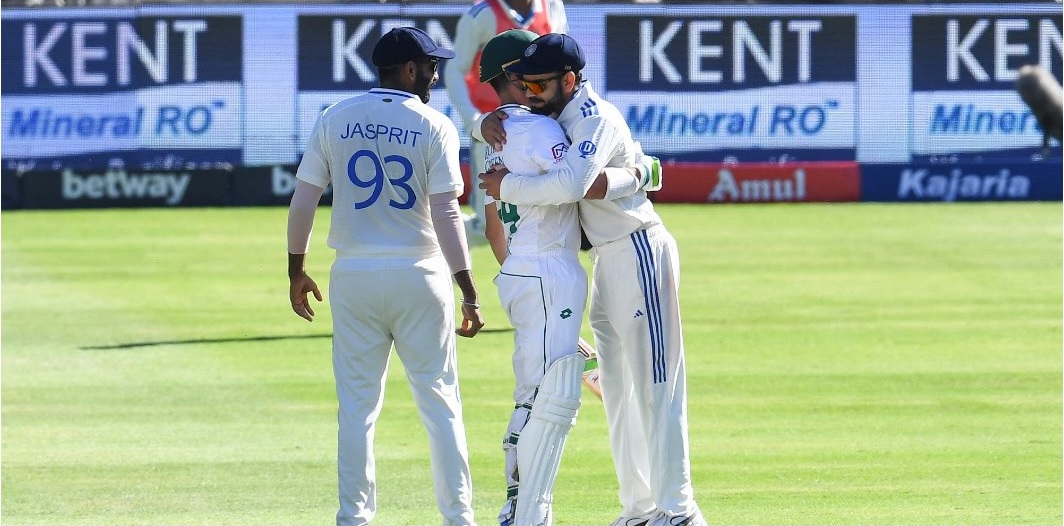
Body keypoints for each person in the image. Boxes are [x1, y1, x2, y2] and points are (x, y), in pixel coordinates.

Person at [477, 33, 705, 526]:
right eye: (525, 84)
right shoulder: (554, 116)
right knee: (620, 390)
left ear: (570, 80)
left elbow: (574, 184)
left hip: (640, 246)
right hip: (607, 258)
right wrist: (483, 123)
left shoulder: (595, 116)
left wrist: (506, 186)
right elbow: (635, 168)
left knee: (656, 383)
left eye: (539, 84)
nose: (531, 94)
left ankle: (680, 509)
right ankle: (641, 508)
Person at [286, 26, 485, 526]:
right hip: (420, 273)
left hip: (352, 274)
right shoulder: (434, 124)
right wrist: (468, 287)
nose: (437, 75)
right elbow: (445, 213)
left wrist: (296, 269)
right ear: (411, 70)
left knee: (356, 408)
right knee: (440, 405)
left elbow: (304, 198)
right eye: (431, 67)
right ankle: (459, 519)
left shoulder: (336, 118)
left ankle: (353, 518)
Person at [443, 0, 567, 245]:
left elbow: (562, 60)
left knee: (547, 210)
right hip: (495, 129)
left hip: (541, 125)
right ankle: (444, 245)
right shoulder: (483, 13)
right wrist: (476, 123)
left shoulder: (551, 5)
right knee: (489, 223)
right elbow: (455, 70)